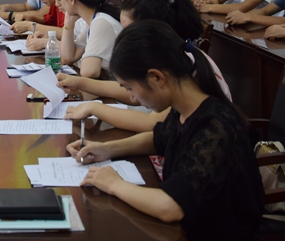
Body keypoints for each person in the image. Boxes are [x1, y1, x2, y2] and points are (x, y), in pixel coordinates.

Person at [66, 20, 263, 240]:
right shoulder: (184, 108)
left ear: (157, 77)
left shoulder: (215, 126)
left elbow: (171, 207)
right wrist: (106, 149)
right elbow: (158, 138)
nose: (132, 98)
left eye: (130, 88)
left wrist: (114, 184)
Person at [59, 0, 231, 133]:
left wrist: (94, 108)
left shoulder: (181, 65)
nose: (126, 37)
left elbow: (152, 124)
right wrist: (80, 83)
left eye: (131, 31)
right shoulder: (171, 55)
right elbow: (134, 92)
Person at [57, 0, 122, 78]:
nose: (59, 2)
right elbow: (68, 58)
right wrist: (68, 22)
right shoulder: (94, 19)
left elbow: (89, 72)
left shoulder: (101, 22)